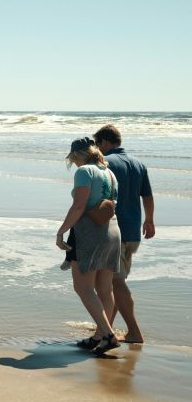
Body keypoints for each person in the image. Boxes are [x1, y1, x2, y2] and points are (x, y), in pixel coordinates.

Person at [56, 137, 122, 355]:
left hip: (90, 234)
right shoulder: (110, 173)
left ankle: (108, 334)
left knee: (83, 287)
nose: (73, 163)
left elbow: (79, 206)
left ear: (77, 155)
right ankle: (99, 336)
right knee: (105, 288)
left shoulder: (84, 172)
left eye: (73, 158)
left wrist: (61, 230)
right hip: (112, 232)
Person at [94, 124, 155, 344]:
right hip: (134, 232)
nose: (97, 150)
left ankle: (134, 332)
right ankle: (104, 329)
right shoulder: (138, 164)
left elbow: (101, 198)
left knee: (114, 283)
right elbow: (147, 196)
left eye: (97, 145)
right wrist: (149, 220)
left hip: (114, 231)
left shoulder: (106, 163)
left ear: (104, 143)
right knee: (115, 282)